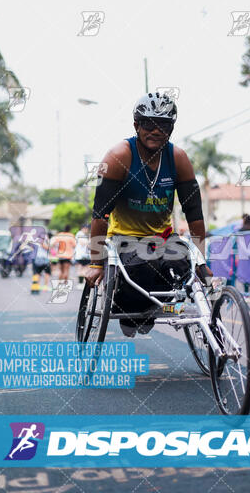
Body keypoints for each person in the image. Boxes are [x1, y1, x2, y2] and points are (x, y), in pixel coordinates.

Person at [85, 91, 213, 337]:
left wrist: (202, 262)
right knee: (143, 266)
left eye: (163, 125)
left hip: (162, 237)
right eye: (148, 123)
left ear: (171, 129)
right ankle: (133, 311)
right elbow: (100, 214)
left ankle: (151, 308)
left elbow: (194, 214)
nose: (156, 130)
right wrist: (95, 263)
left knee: (180, 263)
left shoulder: (178, 158)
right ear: (136, 125)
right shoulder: (118, 156)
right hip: (124, 237)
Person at [74, 224, 91, 290]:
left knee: (85, 270)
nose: (87, 230)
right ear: (82, 228)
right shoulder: (80, 234)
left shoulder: (84, 235)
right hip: (81, 255)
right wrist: (89, 241)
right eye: (86, 228)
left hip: (85, 255)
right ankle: (81, 283)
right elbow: (84, 243)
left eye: (87, 228)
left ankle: (82, 283)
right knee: (81, 270)